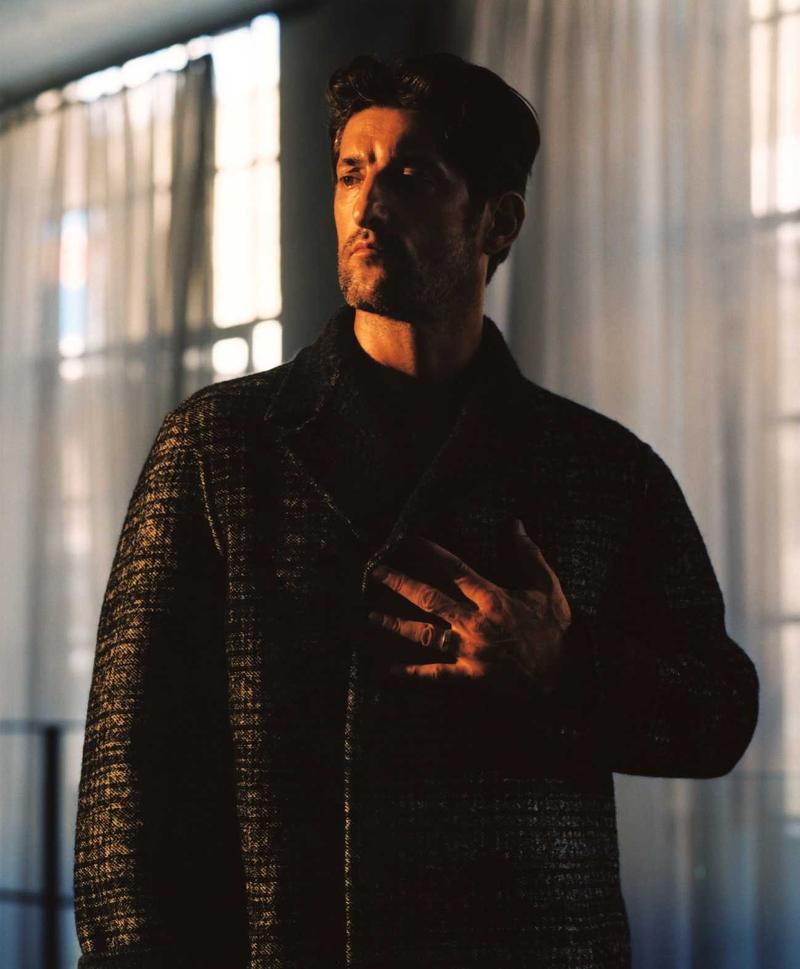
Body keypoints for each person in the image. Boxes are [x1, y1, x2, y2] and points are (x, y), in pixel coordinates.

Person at [73, 51, 759, 969]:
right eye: (351, 173)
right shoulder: (219, 446)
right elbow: (128, 778)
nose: (367, 205)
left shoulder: (601, 468)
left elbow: (720, 709)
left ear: (497, 222)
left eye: (410, 175)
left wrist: (566, 669)